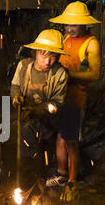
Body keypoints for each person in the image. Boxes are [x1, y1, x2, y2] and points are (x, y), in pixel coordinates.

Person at [45, 1, 102, 188]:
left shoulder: (91, 43)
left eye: (74, 25)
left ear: (84, 24)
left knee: (70, 142)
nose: (69, 28)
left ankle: (72, 181)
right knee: (60, 139)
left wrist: (68, 75)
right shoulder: (65, 40)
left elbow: (94, 73)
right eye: (67, 24)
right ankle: (61, 175)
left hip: (76, 100)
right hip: (60, 99)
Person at [10, 29, 69, 189]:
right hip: (25, 119)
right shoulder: (23, 66)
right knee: (25, 152)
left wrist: (38, 109)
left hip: (47, 121)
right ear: (36, 52)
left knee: (45, 153)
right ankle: (25, 184)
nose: (48, 61)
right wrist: (16, 97)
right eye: (44, 55)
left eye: (53, 56)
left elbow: (58, 103)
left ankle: (46, 184)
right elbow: (15, 85)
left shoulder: (60, 74)